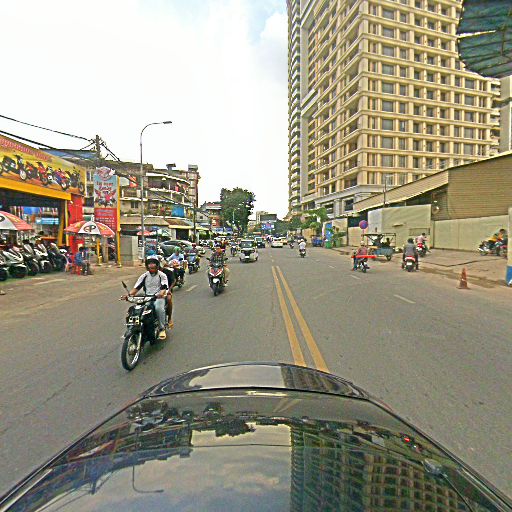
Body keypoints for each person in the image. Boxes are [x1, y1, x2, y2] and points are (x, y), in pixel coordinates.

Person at [122, 256, 169, 340]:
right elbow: (136, 288)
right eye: (150, 263)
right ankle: (135, 327)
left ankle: (162, 329)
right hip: (147, 297)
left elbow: (164, 287)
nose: (151, 265)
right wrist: (128, 295)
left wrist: (161, 293)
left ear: (157, 265)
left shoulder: (162, 275)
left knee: (158, 308)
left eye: (153, 263)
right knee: (138, 309)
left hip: (158, 297)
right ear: (147, 266)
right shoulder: (144, 276)